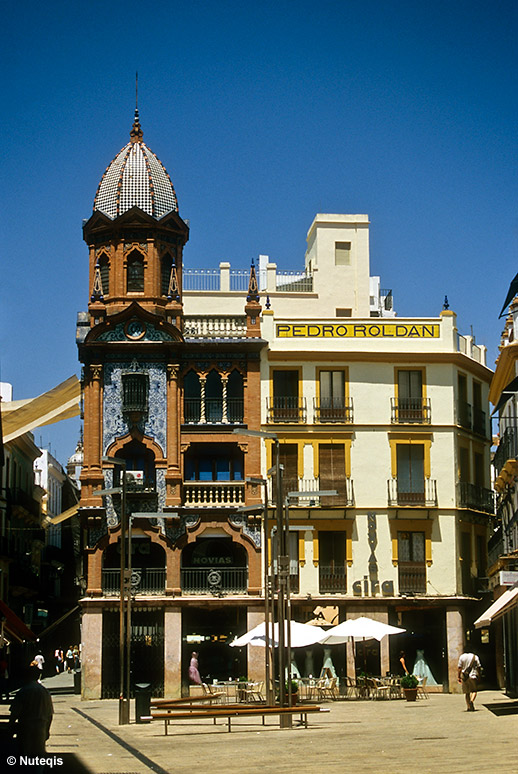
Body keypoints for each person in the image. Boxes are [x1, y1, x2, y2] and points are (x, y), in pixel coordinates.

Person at [9, 664, 54, 756]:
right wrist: (47, 730)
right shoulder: (45, 692)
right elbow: (50, 714)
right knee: (39, 754)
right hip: (40, 726)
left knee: (25, 753)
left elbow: (15, 712)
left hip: (26, 727)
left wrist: (11, 727)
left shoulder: (23, 691)